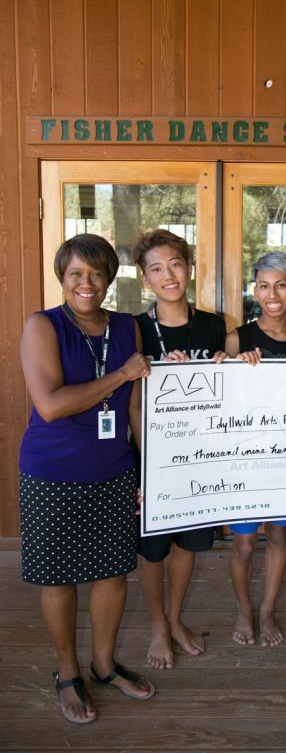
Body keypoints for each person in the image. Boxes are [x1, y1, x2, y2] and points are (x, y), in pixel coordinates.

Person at [19, 234, 155, 726]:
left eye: (97, 273)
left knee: (112, 576)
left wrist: (150, 464)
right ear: (63, 276)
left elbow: (136, 406)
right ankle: (66, 672)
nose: (87, 283)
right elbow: (51, 405)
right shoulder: (43, 326)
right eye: (77, 273)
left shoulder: (126, 327)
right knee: (59, 580)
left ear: (109, 278)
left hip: (113, 469)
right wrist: (120, 375)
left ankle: (102, 664)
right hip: (52, 472)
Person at [132, 229, 226, 670]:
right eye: (156, 268)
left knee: (189, 543)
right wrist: (146, 466)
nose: (168, 275)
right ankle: (156, 626)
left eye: (175, 264)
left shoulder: (214, 324)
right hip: (153, 458)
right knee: (154, 548)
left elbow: (229, 392)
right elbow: (133, 402)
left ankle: (174, 619)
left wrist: (231, 366)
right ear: (145, 279)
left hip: (202, 456)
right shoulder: (134, 328)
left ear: (189, 268)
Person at [225, 251, 286, 646]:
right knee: (245, 543)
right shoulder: (238, 338)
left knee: (279, 536)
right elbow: (222, 402)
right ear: (254, 291)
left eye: (281, 285)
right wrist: (234, 366)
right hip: (247, 456)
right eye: (264, 286)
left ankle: (266, 612)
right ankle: (244, 610)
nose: (273, 293)